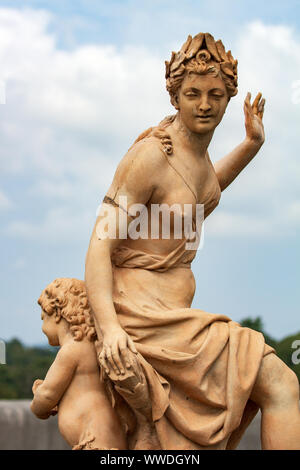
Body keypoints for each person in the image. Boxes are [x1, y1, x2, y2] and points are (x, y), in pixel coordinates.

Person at [85, 32, 300, 450]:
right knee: (280, 383)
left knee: (279, 386)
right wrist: (110, 329)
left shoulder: (195, 157)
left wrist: (252, 144)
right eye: (193, 93)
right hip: (141, 318)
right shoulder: (151, 155)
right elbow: (99, 243)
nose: (205, 104)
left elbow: (201, 193)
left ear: (229, 96)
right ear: (175, 97)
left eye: (216, 94)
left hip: (173, 319)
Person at [30, 278, 126, 450]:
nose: (42, 328)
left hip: (95, 435)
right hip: (104, 429)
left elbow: (47, 395)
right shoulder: (91, 347)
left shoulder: (71, 351)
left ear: (57, 314)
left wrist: (37, 403)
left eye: (44, 318)